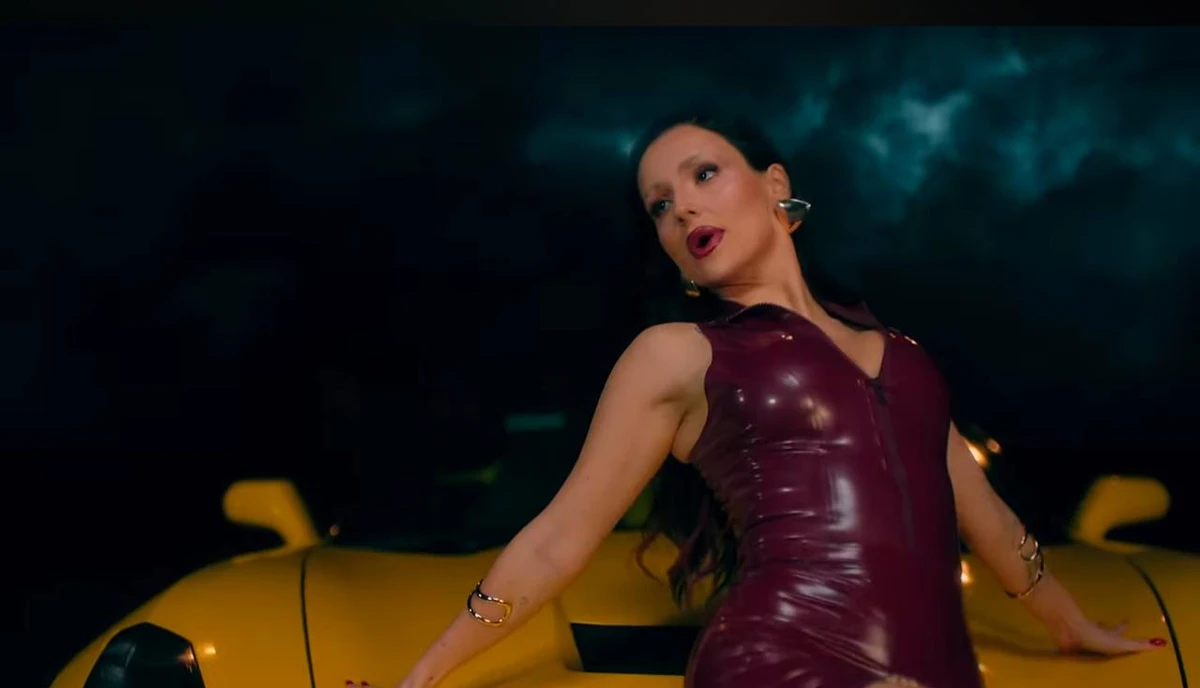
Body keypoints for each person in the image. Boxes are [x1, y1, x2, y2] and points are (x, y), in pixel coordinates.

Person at [387, 113, 1165, 688]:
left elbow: (986, 518)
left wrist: (1073, 626)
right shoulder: (677, 355)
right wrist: (421, 677)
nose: (682, 208)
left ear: (775, 187)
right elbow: (561, 537)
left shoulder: (908, 358)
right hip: (778, 661)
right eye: (659, 204)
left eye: (702, 175)